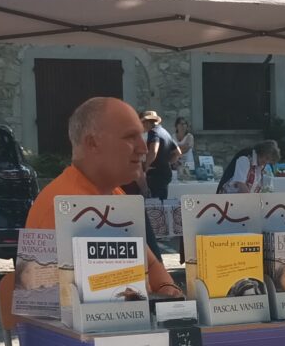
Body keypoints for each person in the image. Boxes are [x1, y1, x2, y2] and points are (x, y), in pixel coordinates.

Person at [26, 97, 184, 299]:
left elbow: (151, 263)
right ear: (92, 143)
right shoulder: (60, 208)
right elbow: (45, 306)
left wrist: (168, 290)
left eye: (141, 136)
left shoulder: (114, 195)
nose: (143, 148)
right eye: (130, 137)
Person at [140, 110, 181, 198]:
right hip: (165, 173)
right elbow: (178, 152)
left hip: (155, 175)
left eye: (142, 123)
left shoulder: (153, 132)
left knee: (155, 205)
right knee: (162, 202)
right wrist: (167, 163)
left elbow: (154, 151)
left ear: (147, 123)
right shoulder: (165, 132)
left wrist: (145, 167)